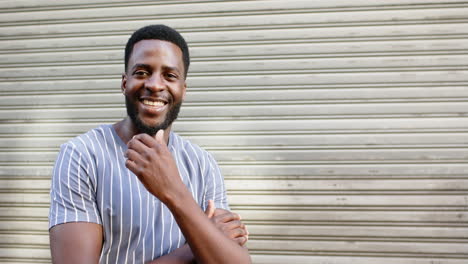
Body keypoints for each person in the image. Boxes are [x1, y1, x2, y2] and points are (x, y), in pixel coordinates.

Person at [48, 24, 251, 264]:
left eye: (170, 75)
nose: (155, 85)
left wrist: (173, 191)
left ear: (183, 90)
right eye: (142, 72)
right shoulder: (82, 155)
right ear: (125, 83)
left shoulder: (203, 164)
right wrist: (192, 249)